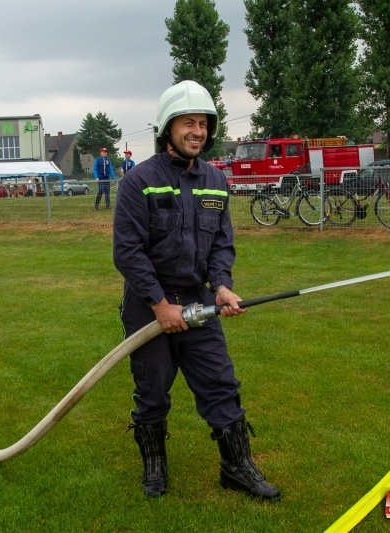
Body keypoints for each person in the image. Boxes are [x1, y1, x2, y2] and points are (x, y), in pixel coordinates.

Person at [113, 80, 281, 501]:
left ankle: (236, 467)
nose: (198, 132)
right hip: (149, 306)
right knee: (152, 392)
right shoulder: (140, 183)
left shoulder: (216, 181)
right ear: (167, 128)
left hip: (199, 301)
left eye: (204, 124)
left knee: (221, 385)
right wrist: (159, 304)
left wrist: (222, 286)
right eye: (188, 122)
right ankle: (155, 467)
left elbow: (221, 243)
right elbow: (128, 252)